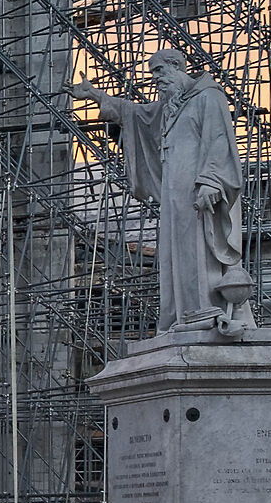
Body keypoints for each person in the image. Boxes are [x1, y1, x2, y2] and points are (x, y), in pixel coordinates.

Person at [70, 48, 256, 335]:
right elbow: (133, 113)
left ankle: (204, 308)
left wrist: (210, 180)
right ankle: (181, 315)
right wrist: (95, 95)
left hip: (199, 190)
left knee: (198, 248)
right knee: (174, 252)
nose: (155, 79)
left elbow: (219, 139)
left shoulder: (208, 97)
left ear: (176, 67)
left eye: (158, 71)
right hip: (174, 193)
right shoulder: (170, 107)